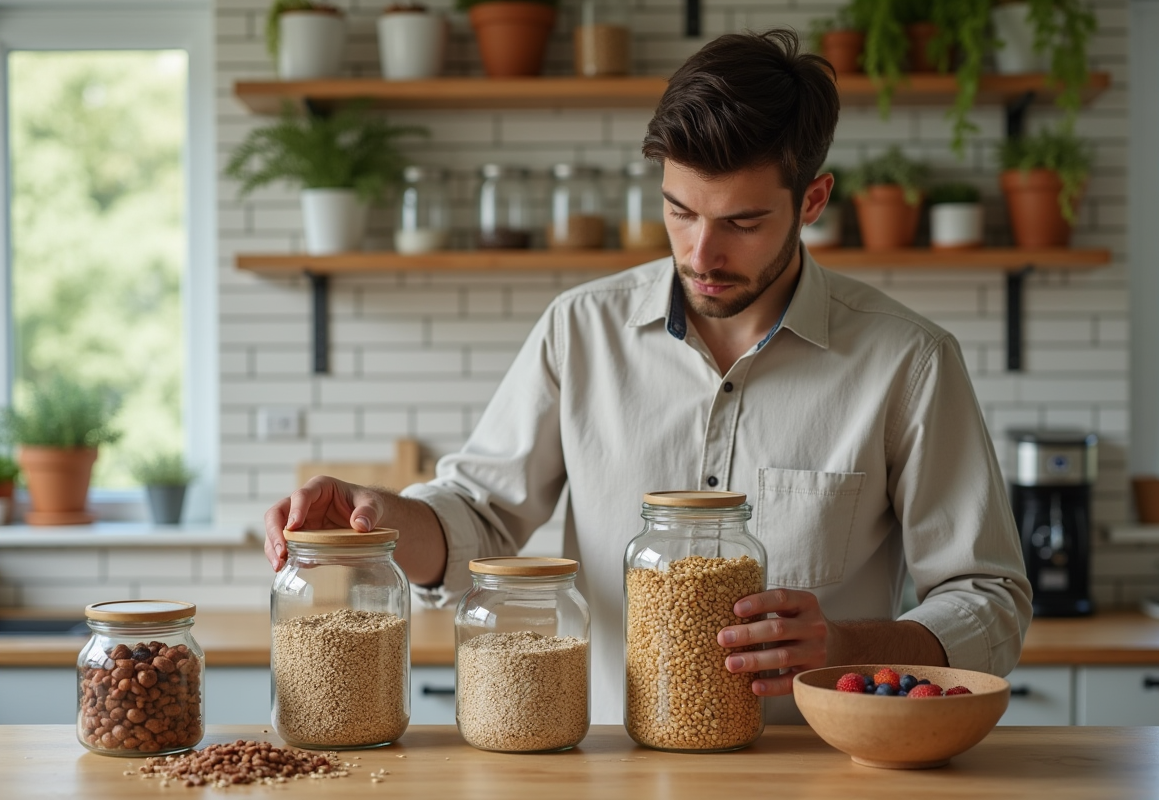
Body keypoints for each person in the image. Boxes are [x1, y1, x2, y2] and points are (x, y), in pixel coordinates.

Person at [262, 28, 1032, 724]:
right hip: (609, 765)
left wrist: (845, 642)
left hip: (813, 768)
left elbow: (991, 596)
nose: (701, 254)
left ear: (813, 202)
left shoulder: (910, 360)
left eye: (742, 222)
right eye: (680, 212)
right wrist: (380, 521)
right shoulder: (580, 329)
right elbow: (478, 511)